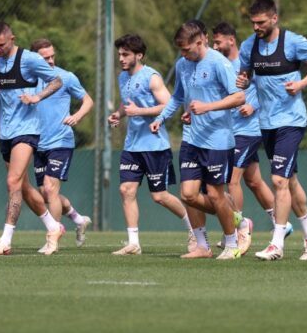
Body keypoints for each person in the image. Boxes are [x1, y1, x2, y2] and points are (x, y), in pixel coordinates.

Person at [237, 0, 307, 261]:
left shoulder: (293, 42)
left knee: (278, 180)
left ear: (274, 18)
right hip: (266, 123)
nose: (256, 27)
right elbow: (246, 77)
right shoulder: (248, 46)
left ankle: (277, 243)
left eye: (261, 22)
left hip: (291, 121)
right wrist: (243, 82)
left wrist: (301, 84)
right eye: (253, 23)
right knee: (290, 180)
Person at [152, 21, 246, 260]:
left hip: (218, 140)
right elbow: (177, 97)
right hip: (191, 138)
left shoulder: (219, 63)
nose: (183, 54)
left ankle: (232, 243)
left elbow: (239, 97)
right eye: (180, 50)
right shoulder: (182, 64)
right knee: (188, 195)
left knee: (215, 195)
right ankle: (203, 246)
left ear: (200, 41)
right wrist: (161, 119)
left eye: (186, 49)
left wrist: (207, 107)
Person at [0, 23, 64, 256]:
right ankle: (53, 227)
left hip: (27, 130)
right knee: (23, 187)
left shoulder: (30, 60)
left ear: (12, 39)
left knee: (13, 181)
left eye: (1, 45)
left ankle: (5, 241)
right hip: (5, 131)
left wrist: (38, 96)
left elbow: (57, 81)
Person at [108, 34, 192, 255]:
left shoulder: (151, 77)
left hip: (154, 146)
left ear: (139, 55)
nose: (121, 58)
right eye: (119, 54)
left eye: (126, 54)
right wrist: (118, 114)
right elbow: (127, 105)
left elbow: (168, 104)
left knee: (159, 196)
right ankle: (133, 243)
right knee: (126, 190)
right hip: (131, 146)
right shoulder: (122, 77)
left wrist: (140, 111)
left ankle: (193, 229)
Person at [212, 21, 280, 245]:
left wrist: (254, 106)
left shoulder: (247, 61)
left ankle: (238, 228)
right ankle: (280, 223)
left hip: (248, 130)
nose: (215, 46)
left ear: (231, 40)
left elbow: (268, 88)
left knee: (232, 181)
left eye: (218, 42)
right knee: (254, 181)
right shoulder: (220, 65)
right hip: (231, 131)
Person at [31, 38, 94, 253]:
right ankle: (78, 219)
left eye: (52, 56)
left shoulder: (66, 77)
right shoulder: (29, 79)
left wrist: (77, 116)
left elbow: (88, 101)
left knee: (50, 189)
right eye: (45, 58)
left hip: (61, 141)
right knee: (45, 193)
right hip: (38, 143)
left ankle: (53, 240)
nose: (50, 61)